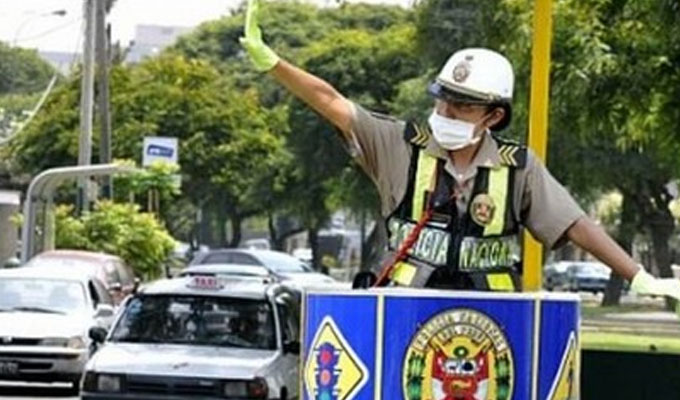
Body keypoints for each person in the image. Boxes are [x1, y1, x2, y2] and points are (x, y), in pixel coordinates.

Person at [239, 0, 680, 298]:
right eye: (442, 101)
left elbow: (576, 223)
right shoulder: (398, 145)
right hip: (404, 314)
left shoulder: (517, 167)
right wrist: (273, 63)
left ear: (493, 116)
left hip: (490, 321)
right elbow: (332, 102)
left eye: (462, 107)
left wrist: (639, 276)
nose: (446, 113)